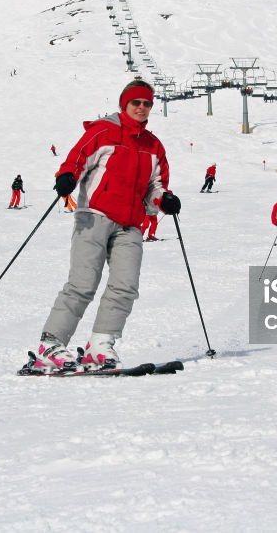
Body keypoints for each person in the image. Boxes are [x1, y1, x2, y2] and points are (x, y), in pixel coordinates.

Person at [28, 79, 178, 374]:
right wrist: (67, 177)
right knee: (82, 283)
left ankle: (100, 344)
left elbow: (155, 186)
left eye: (147, 103)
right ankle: (51, 345)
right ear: (125, 104)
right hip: (95, 216)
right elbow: (77, 159)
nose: (142, 108)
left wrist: (165, 200)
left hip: (130, 223)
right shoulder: (104, 131)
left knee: (125, 285)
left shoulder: (153, 145)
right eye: (136, 102)